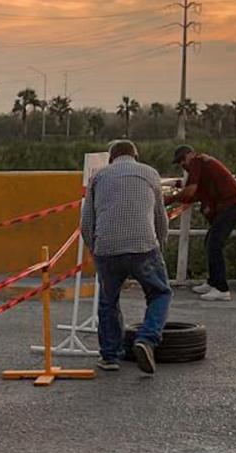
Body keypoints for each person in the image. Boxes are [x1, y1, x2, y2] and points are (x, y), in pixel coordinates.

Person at [82, 140, 172, 374]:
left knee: (108, 301)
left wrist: (95, 249)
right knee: (160, 293)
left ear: (111, 158)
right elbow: (160, 218)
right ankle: (147, 339)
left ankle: (110, 356)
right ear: (135, 155)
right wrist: (160, 246)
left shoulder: (98, 177)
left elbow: (87, 222)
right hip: (144, 246)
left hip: (107, 248)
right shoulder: (150, 174)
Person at [166, 145, 236, 301]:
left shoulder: (197, 162)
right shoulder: (203, 165)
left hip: (231, 205)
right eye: (179, 162)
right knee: (210, 241)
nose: (182, 164)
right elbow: (194, 193)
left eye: (182, 159)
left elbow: (190, 191)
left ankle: (221, 288)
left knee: (214, 244)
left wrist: (169, 199)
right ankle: (213, 282)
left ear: (190, 154)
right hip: (231, 206)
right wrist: (177, 189)